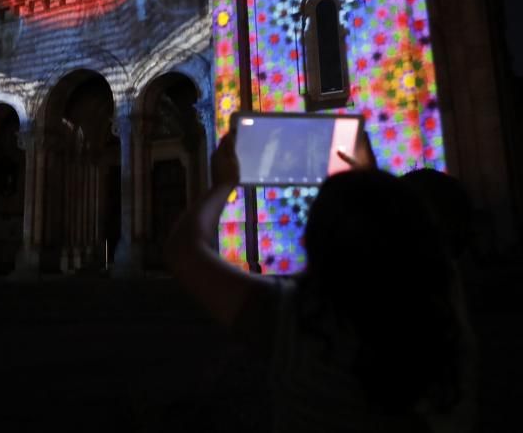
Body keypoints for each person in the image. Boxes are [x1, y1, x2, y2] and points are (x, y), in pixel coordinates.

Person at [165, 128, 475, 432]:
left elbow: (184, 251)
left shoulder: (301, 320)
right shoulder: (445, 309)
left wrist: (224, 184)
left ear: (316, 242)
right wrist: (373, 189)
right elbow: (408, 240)